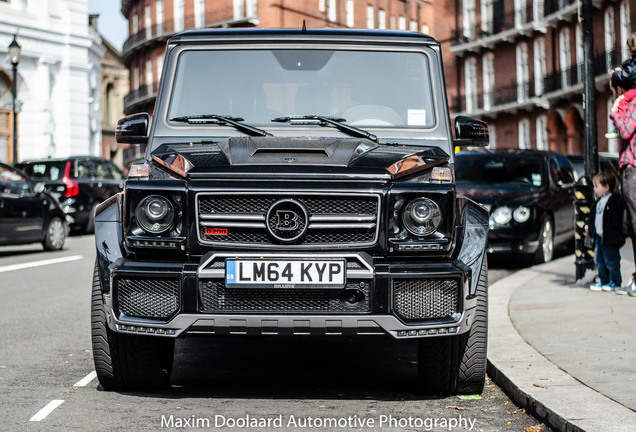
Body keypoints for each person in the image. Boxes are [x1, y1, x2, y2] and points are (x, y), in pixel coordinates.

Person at [609, 32, 636, 296]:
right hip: (629, 168)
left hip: (633, 169)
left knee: (635, 225)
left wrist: (615, 111)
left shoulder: (634, 101)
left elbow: (626, 130)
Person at [588, 171, 625, 291]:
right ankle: (604, 281)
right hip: (599, 237)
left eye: (597, 186)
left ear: (607, 187)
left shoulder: (615, 200)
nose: (594, 189)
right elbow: (594, 217)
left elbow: (619, 213)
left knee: (611, 260)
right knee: (599, 261)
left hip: (610, 238)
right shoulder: (598, 202)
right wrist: (589, 227)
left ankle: (615, 282)